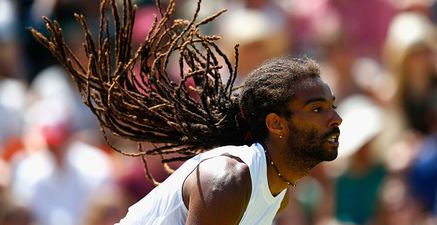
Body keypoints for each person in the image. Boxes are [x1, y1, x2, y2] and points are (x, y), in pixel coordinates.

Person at [30, 0, 342, 224]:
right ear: (276, 123)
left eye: (332, 107)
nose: (336, 119)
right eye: (317, 108)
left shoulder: (278, 191)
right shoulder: (228, 180)